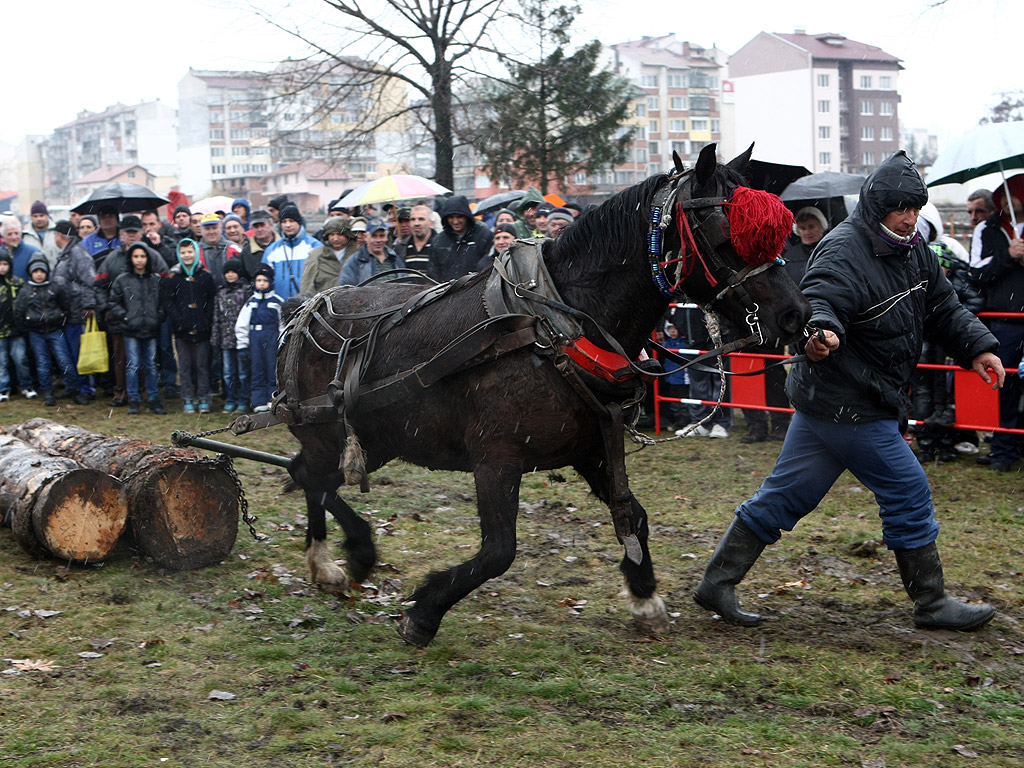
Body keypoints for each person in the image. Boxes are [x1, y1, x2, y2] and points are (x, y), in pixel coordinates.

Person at [694, 151, 1005, 633]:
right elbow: (819, 299)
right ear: (879, 205)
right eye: (902, 208)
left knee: (786, 496)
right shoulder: (843, 249)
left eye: (917, 208)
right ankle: (931, 601)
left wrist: (978, 348)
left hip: (839, 402)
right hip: (849, 399)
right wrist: (821, 333)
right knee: (907, 488)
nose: (910, 217)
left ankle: (716, 582)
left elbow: (943, 305)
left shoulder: (913, 248)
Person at [975, 175, 1024, 472]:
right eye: (1003, 195)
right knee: (1004, 386)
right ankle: (1003, 450)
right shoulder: (986, 229)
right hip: (1005, 321)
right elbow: (977, 273)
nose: (1007, 201)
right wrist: (1008, 256)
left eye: (1014, 195)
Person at [14, 257, 89, 406]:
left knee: (65, 360)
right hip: (36, 333)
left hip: (55, 330)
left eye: (42, 271)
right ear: (30, 273)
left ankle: (75, 390)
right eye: (36, 271)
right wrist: (27, 329)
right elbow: (19, 313)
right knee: (42, 364)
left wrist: (61, 324)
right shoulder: (26, 291)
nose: (39, 274)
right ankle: (48, 393)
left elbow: (65, 307)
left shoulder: (54, 288)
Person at [108, 243, 167, 414]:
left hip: (150, 328)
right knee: (132, 365)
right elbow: (114, 302)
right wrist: (126, 317)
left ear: (147, 258)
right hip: (131, 329)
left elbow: (163, 301)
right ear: (130, 259)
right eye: (136, 256)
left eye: (142, 256)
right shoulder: (122, 280)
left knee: (151, 365)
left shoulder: (155, 280)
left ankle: (153, 398)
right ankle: (133, 398)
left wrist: (157, 317)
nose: (139, 260)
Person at [162, 239, 216, 414]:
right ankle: (187, 397)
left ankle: (203, 397)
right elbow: (169, 302)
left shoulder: (205, 276)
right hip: (181, 329)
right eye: (183, 252)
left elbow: (211, 300)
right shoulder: (174, 278)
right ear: (179, 254)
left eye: (190, 252)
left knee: (201, 365)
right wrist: (179, 320)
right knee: (184, 365)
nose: (187, 255)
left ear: (196, 253)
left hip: (202, 328)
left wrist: (206, 320)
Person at [51, 220, 97, 397]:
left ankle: (86, 388)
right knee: (70, 351)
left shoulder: (78, 253)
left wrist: (88, 304)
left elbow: (89, 280)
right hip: (66, 311)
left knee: (80, 351)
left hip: (78, 311)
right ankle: (73, 385)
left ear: (60, 236)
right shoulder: (66, 254)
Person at [235, 265, 283, 413]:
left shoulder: (277, 302)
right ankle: (258, 402)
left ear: (271, 282)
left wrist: (282, 342)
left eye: (265, 280)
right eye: (258, 280)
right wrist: (242, 345)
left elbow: (283, 324)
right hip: (255, 338)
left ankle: (273, 401)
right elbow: (241, 325)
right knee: (257, 370)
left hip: (272, 338)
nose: (261, 283)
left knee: (272, 370)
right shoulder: (251, 303)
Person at [212, 258, 252, 413]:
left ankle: (243, 399)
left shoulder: (246, 291)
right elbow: (217, 317)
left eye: (233, 272)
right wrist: (216, 338)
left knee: (243, 373)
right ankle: (230, 399)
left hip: (241, 339)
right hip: (225, 340)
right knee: (228, 373)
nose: (230, 275)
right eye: (227, 272)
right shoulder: (221, 292)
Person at [261, 203, 320, 299]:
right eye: (284, 222)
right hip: (280, 305)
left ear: (299, 222)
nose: (288, 225)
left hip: (309, 305)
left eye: (291, 221)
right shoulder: (271, 250)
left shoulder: (314, 246)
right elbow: (265, 279)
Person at [429, 196, 493, 282]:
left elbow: (488, 266)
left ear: (467, 216)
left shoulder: (483, 235)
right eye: (451, 217)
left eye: (459, 217)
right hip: (447, 292)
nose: (455, 221)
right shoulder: (438, 241)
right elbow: (433, 273)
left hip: (476, 290)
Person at [0, 250, 34, 400]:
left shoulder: (18, 283)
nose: (2, 268)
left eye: (5, 264)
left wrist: (23, 324)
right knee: (2, 362)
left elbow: (26, 303)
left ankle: (26, 386)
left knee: (21, 359)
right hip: (0, 331)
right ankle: (3, 388)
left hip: (16, 329)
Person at [339, 219, 405, 285]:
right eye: (374, 236)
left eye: (382, 236)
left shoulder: (394, 258)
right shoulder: (355, 261)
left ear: (386, 237)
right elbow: (345, 289)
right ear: (365, 237)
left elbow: (405, 283)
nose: (378, 240)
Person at [300, 217, 351, 294]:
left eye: (339, 234)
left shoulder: (357, 254)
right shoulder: (316, 255)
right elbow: (307, 282)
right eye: (332, 234)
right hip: (325, 301)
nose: (335, 238)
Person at [197, 213, 241, 288]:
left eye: (214, 228)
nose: (211, 232)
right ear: (201, 231)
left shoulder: (234, 248)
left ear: (220, 228)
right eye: (207, 229)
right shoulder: (195, 251)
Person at [239, 210, 279, 279]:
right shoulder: (246, 252)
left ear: (271, 225)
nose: (259, 229)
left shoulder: (283, 246)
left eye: (262, 225)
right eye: (256, 226)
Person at [395, 205, 435, 273]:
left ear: (431, 223)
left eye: (421, 219)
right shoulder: (400, 248)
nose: (416, 223)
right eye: (413, 219)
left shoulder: (442, 245)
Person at [23, 201, 60, 268]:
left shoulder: (58, 232)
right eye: (35, 216)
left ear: (47, 216)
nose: (39, 219)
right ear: (31, 217)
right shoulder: (25, 236)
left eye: (41, 215)